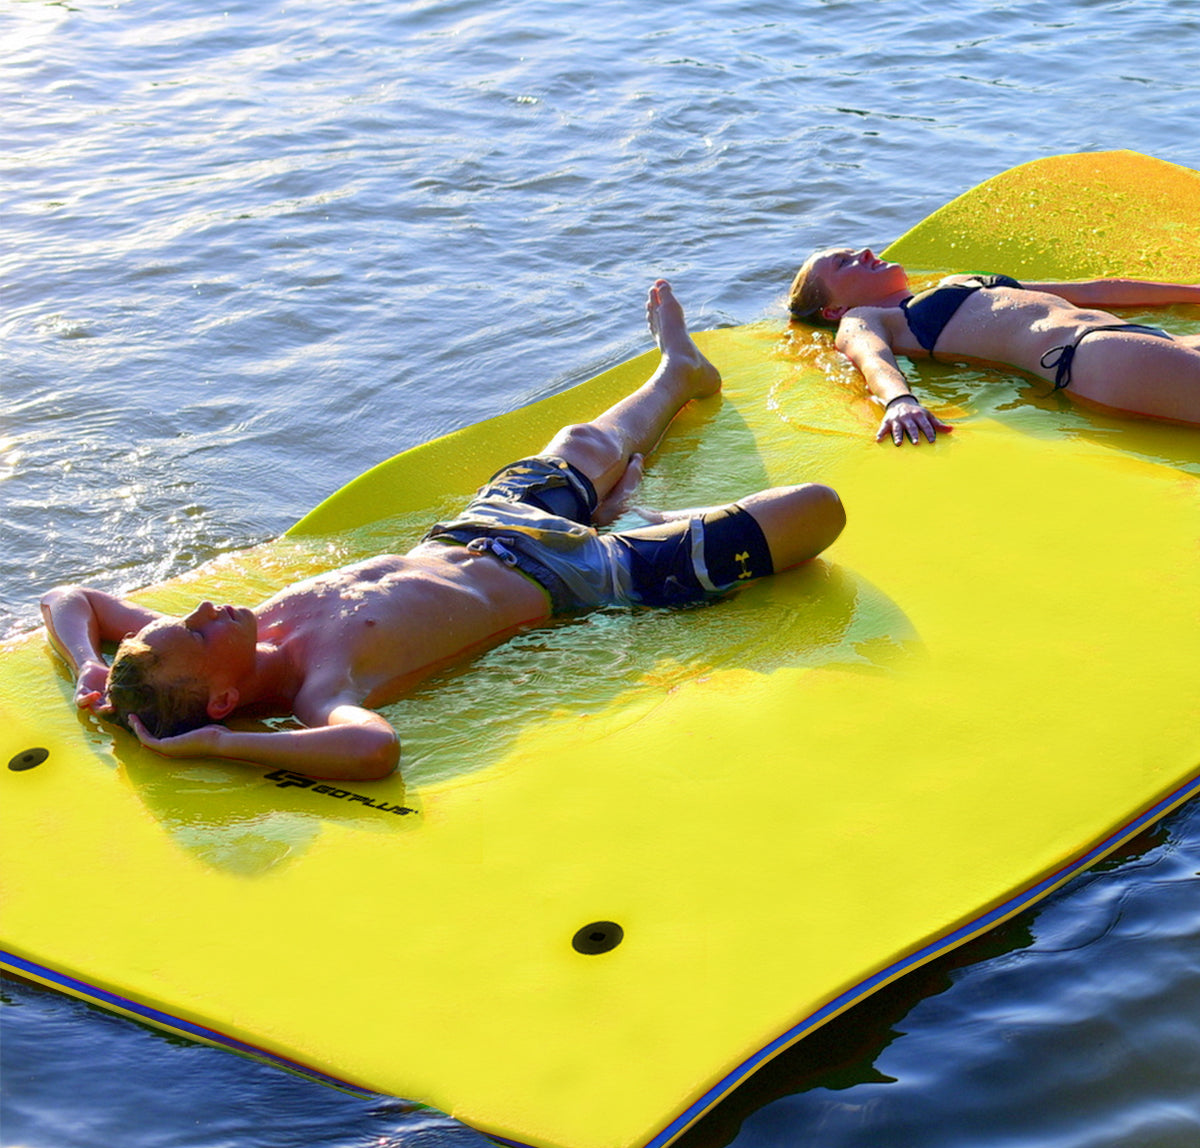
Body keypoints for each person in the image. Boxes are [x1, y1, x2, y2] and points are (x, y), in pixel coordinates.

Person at [42, 281, 846, 780]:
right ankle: (638, 521)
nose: (206, 609)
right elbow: (374, 751)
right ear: (222, 699)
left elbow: (70, 596)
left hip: (481, 527)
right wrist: (212, 752)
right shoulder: (319, 690)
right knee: (816, 507)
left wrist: (86, 662)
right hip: (579, 578)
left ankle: (678, 372)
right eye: (199, 630)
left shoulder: (236, 642)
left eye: (189, 615)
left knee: (581, 444)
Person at [787, 247, 1200, 446]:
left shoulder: (959, 281)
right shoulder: (873, 318)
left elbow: (1096, 291)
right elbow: (870, 355)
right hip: (1092, 355)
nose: (865, 252)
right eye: (844, 263)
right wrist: (900, 401)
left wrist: (1192, 292)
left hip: (1146, 338)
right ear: (832, 310)